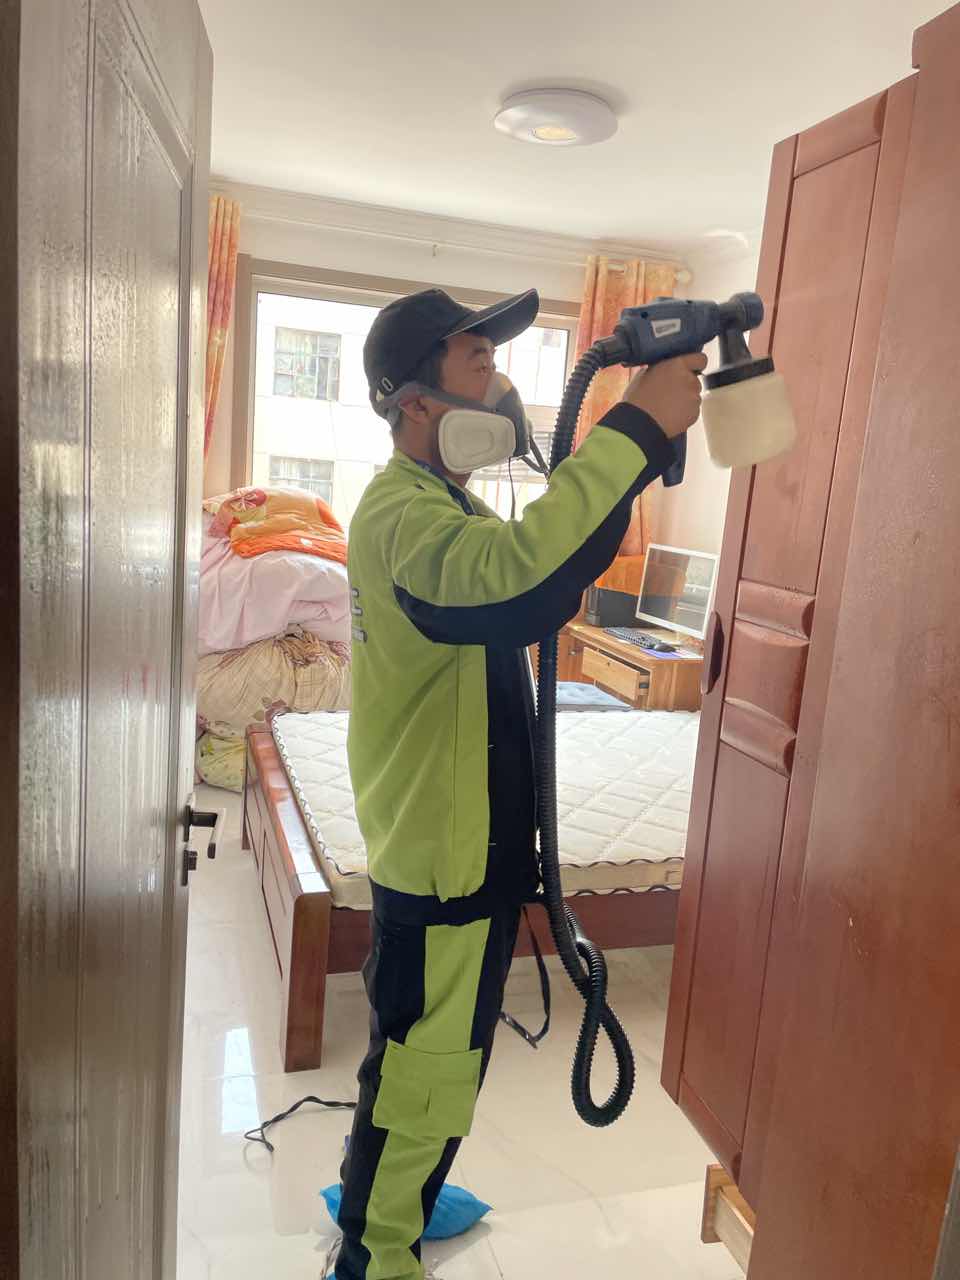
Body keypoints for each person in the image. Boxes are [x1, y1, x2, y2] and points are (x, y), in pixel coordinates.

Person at [334, 287, 706, 1280]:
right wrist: (633, 428)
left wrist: (641, 448)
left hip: (464, 841)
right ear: (416, 402)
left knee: (426, 1056)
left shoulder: (441, 506)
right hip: (445, 856)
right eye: (478, 362)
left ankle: (393, 1193)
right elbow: (522, 582)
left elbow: (545, 571)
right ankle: (376, 1250)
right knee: (426, 1070)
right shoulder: (403, 518)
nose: (498, 385)